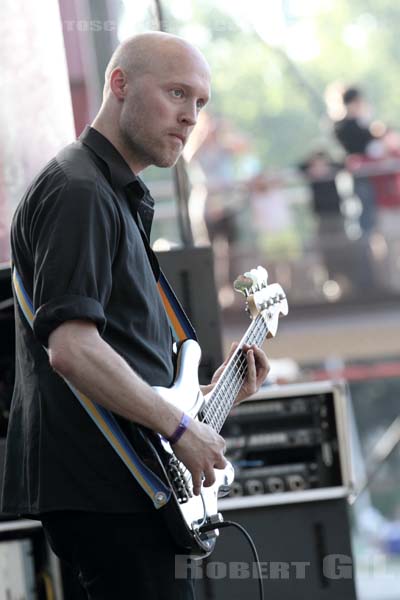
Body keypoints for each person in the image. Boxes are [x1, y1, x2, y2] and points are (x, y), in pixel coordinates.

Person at [0, 32, 269, 599]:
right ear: (119, 84)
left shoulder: (108, 192)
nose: (191, 116)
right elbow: (72, 347)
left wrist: (208, 402)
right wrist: (179, 428)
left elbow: (121, 358)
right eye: (177, 93)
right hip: (110, 493)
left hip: (123, 487)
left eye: (200, 104)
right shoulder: (80, 191)